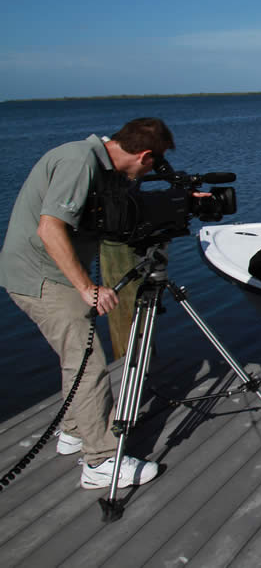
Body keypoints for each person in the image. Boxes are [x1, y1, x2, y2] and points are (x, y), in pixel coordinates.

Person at [0, 117, 174, 490]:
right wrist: (87, 287)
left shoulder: (102, 166)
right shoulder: (79, 161)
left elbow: (118, 213)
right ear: (144, 155)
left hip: (52, 274)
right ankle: (100, 461)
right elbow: (49, 227)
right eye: (154, 164)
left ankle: (74, 432)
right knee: (87, 363)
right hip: (41, 277)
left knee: (77, 354)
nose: (151, 172)